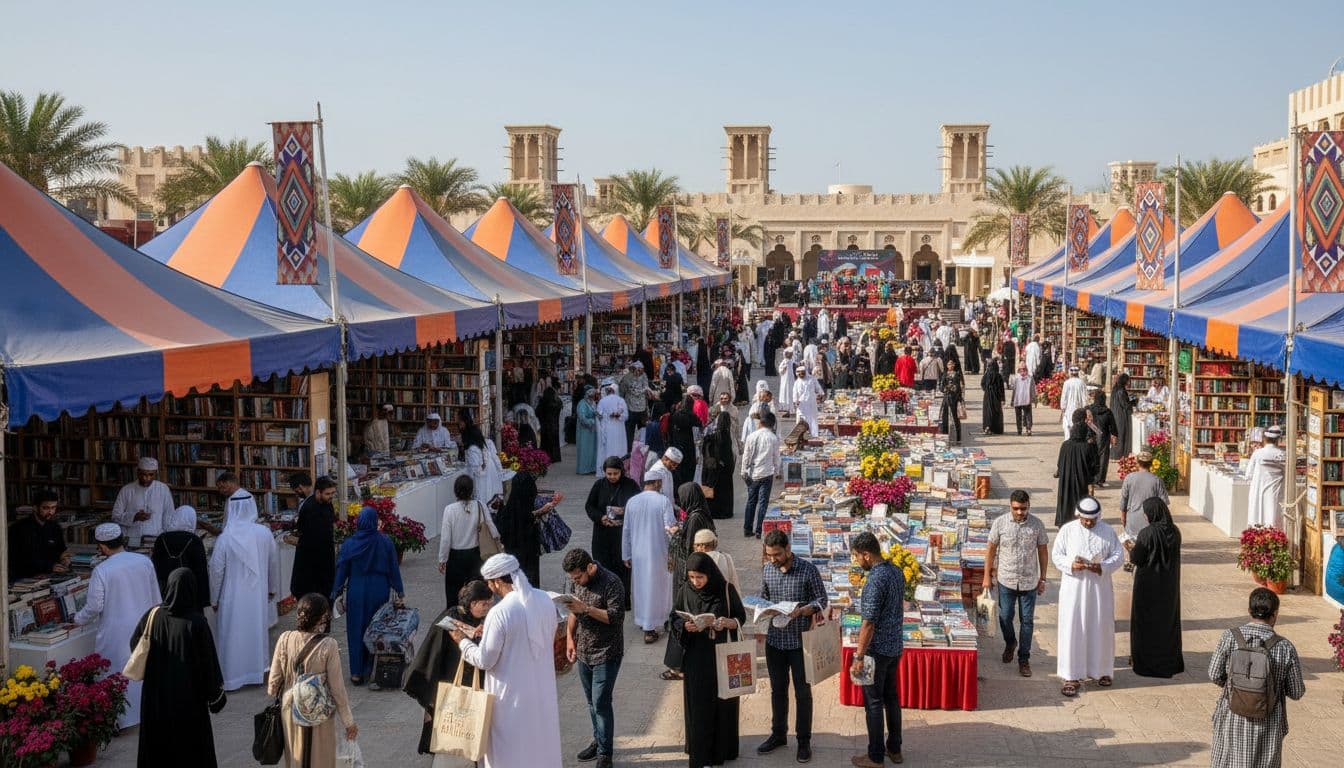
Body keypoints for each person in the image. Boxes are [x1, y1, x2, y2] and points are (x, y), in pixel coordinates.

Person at [448, 554, 563, 768]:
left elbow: (484, 660)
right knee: (540, 748)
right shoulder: (544, 600)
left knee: (509, 754)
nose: (490, 589)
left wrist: (462, 641)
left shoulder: (500, 613)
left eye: (490, 584)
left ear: (498, 581)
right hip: (541, 693)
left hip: (509, 700)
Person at [131, 568, 227, 768]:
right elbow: (207, 664)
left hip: (155, 695)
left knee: (157, 746)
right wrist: (215, 696)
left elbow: (135, 643)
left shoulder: (153, 614)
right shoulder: (197, 622)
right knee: (189, 748)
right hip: (187, 698)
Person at [73, 523, 162, 729]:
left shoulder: (102, 570)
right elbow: (156, 598)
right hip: (143, 626)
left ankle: (121, 720)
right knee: (141, 670)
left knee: (117, 673)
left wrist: (77, 620)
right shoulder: (144, 561)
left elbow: (95, 606)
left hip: (115, 631)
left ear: (102, 547)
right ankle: (144, 713)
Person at [1208, 588, 1305, 768]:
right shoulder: (1285, 647)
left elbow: (1214, 674)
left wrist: (1236, 687)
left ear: (1249, 611)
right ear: (1275, 615)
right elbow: (1297, 691)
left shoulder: (1230, 637)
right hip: (1268, 722)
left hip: (1232, 716)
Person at [757, 529, 829, 763]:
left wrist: (804, 610)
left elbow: (822, 600)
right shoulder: (768, 569)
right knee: (777, 690)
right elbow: (764, 596)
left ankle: (804, 741)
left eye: (777, 555)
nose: (773, 559)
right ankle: (778, 734)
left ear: (788, 549)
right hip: (775, 641)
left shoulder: (808, 570)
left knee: (802, 693)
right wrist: (762, 607)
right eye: (769, 555)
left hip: (800, 642)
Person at [670, 553, 745, 768]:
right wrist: (685, 626)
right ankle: (700, 753)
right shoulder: (685, 590)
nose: (696, 582)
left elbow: (740, 617)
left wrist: (726, 622)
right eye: (692, 577)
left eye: (700, 577)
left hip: (721, 655)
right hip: (696, 658)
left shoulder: (725, 589)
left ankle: (721, 749)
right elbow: (674, 617)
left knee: (723, 703)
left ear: (709, 574)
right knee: (699, 705)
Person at [267, 594, 358, 767]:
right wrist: (349, 722)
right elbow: (337, 689)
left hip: (290, 708)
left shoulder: (285, 639)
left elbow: (273, 685)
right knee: (320, 759)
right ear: (322, 618)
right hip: (319, 711)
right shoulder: (328, 645)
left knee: (295, 758)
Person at [404, 580, 489, 762]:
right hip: (448, 678)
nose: (488, 608)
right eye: (484, 604)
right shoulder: (451, 616)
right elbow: (442, 642)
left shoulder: (480, 620)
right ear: (473, 603)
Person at [1052, 496, 1123, 697]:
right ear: (1079, 515)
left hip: (1099, 590)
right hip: (1074, 589)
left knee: (1101, 627)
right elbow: (1057, 555)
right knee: (1073, 628)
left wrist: (1102, 567)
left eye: (1092, 520)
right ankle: (1071, 675)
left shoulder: (1107, 531)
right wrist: (1071, 565)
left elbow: (1118, 556)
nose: (1089, 523)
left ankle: (1102, 671)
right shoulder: (1068, 530)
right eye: (1085, 519)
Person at [209, 490, 279, 691]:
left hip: (232, 595)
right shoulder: (264, 533)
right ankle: (257, 672)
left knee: (232, 635)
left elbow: (216, 571)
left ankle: (232, 677)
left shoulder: (225, 537)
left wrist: (214, 598)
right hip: (257, 595)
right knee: (255, 632)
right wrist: (272, 588)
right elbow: (273, 564)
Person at [562, 549, 627, 768]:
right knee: (591, 702)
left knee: (601, 702)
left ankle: (605, 754)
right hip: (583, 651)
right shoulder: (576, 582)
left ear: (590, 567)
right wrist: (570, 638)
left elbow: (616, 617)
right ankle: (599, 740)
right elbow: (572, 611)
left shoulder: (612, 582)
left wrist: (586, 608)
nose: (576, 581)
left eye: (578, 576)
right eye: (573, 578)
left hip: (607, 652)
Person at [331, 506, 405, 686]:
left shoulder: (350, 544)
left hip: (356, 590)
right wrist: (400, 591)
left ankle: (356, 673)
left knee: (356, 629)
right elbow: (393, 568)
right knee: (376, 629)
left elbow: (342, 570)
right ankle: (371, 668)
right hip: (379, 590)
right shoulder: (385, 541)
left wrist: (335, 591)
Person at [849, 531, 904, 768]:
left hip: (875, 652)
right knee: (891, 698)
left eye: (856, 556)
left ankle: (875, 756)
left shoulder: (874, 581)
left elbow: (868, 623)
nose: (856, 561)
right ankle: (895, 748)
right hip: (894, 646)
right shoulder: (896, 571)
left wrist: (859, 656)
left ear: (867, 555)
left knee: (872, 702)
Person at [982, 490, 1049, 677]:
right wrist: (986, 576)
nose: (1020, 512)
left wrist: (1043, 578)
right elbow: (990, 550)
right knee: (1005, 617)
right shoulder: (1000, 523)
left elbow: (1043, 551)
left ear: (1029, 506)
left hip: (1029, 582)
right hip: (1006, 579)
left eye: (1023, 509)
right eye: (1016, 509)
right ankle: (1010, 642)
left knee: (1027, 621)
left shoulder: (1037, 525)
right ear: (1010, 506)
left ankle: (1024, 658)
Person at [1129, 498, 1184, 678]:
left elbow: (1137, 558)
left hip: (1147, 586)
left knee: (1145, 623)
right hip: (1169, 586)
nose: (1145, 515)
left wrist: (1130, 547)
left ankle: (1144, 661)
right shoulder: (1175, 532)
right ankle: (1168, 662)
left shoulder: (1147, 533)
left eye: (1146, 512)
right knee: (1166, 623)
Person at [622, 474, 678, 644]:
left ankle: (646, 621)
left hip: (639, 554)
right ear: (657, 483)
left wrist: (626, 554)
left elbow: (626, 530)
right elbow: (670, 527)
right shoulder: (663, 501)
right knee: (660, 587)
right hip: (659, 552)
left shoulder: (632, 501)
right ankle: (657, 622)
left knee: (642, 588)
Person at [438, 474, 499, 607]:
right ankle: (476, 619)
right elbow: (492, 528)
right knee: (477, 592)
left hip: (455, 557)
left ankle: (454, 620)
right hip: (476, 555)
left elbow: (446, 538)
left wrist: (443, 559)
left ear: (456, 490)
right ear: (472, 490)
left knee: (453, 594)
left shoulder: (449, 510)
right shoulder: (480, 506)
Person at [495, 471, 561, 588]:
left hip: (513, 559)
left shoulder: (506, 511)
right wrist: (539, 513)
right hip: (529, 556)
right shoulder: (527, 507)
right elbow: (526, 519)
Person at [151, 505, 209, 611]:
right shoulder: (195, 540)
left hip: (166, 591)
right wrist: (204, 600)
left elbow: (155, 568)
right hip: (190, 592)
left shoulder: (161, 539)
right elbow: (201, 572)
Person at [289, 476, 337, 601]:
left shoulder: (327, 504)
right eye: (328, 493)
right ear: (318, 492)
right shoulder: (309, 508)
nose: (331, 496)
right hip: (310, 564)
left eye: (332, 493)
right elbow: (306, 537)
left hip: (324, 559)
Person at [111, 456, 176, 546]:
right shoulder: (127, 490)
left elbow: (169, 516)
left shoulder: (163, 489)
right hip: (132, 540)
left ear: (156, 473)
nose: (147, 478)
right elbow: (115, 516)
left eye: (151, 475)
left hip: (156, 539)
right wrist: (134, 517)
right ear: (137, 472)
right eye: (143, 474)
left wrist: (166, 539)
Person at [8, 491, 70, 579]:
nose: (51, 512)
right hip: (25, 577)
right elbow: (18, 560)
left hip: (52, 575)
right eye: (46, 508)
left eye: (53, 508)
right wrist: (49, 567)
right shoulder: (18, 528)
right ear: (35, 508)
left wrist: (64, 560)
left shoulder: (55, 527)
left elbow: (61, 551)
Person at [741, 411, 782, 538]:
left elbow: (746, 456)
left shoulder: (751, 437)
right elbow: (776, 457)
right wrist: (777, 471)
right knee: (763, 502)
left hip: (752, 474)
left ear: (760, 423)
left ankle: (747, 529)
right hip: (767, 473)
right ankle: (759, 530)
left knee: (751, 501)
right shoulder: (773, 438)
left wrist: (743, 472)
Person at [1055, 411, 1098, 527]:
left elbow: (1059, 465)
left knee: (1066, 503)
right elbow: (1094, 468)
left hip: (1066, 483)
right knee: (1079, 504)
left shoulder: (1065, 445)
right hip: (1081, 483)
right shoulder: (1087, 447)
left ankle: (1063, 523)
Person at [1119, 450, 1169, 542]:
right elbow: (1163, 504)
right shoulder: (1157, 480)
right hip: (1150, 524)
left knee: (1133, 552)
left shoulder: (1129, 478)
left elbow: (1123, 501)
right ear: (1151, 464)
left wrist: (1123, 518)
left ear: (1137, 463)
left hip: (1132, 523)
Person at [703, 391, 738, 519]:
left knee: (716, 491)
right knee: (726, 492)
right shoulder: (725, 436)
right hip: (725, 470)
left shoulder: (712, 435)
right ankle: (726, 511)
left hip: (715, 469)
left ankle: (714, 511)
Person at [1247, 425, 1287, 528]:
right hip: (1276, 490)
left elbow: (1248, 474)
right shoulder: (1283, 454)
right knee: (1273, 513)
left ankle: (1255, 535)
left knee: (1257, 513)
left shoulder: (1258, 453)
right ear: (1278, 439)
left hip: (1258, 489)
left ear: (1264, 438)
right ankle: (1274, 537)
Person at [1088, 388, 1119, 487]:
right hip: (1104, 437)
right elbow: (1113, 426)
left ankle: (1091, 479)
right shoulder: (1108, 412)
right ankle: (1100, 480)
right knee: (1103, 459)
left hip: (1090, 436)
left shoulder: (1089, 409)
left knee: (1091, 458)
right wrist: (1114, 436)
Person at [595, 382, 630, 471]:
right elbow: (626, 416)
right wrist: (618, 416)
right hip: (618, 428)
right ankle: (618, 467)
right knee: (618, 445)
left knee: (607, 447)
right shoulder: (621, 400)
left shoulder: (602, 400)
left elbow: (598, 414)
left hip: (607, 427)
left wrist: (605, 417)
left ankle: (606, 467)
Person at [667, 395, 700, 487]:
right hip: (689, 447)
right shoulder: (692, 416)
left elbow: (670, 430)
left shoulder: (675, 415)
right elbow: (699, 428)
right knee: (688, 468)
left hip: (677, 445)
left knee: (678, 469)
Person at [620, 360, 654, 449]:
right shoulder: (627, 378)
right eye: (638, 370)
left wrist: (648, 392)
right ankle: (629, 450)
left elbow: (646, 386)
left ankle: (642, 448)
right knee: (629, 431)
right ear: (633, 369)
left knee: (643, 430)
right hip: (630, 408)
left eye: (641, 370)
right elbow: (629, 391)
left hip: (642, 408)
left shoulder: (644, 376)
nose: (639, 372)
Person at [793, 364, 824, 438]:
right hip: (802, 405)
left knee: (813, 419)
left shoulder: (812, 379)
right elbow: (795, 394)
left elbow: (818, 388)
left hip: (811, 403)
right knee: (801, 421)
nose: (800, 375)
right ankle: (800, 436)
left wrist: (821, 394)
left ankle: (814, 436)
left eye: (802, 373)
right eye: (799, 373)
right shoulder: (797, 382)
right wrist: (795, 401)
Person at [1110, 373, 1137, 456]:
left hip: (1116, 415)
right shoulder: (1121, 391)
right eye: (1128, 381)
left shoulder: (1116, 389)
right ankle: (1119, 454)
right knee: (1121, 434)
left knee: (1118, 434)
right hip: (1121, 416)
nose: (1129, 383)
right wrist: (1134, 401)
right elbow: (1125, 404)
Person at [940, 355, 965, 443]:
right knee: (944, 417)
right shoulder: (945, 374)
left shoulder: (957, 374)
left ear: (954, 365)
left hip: (955, 398)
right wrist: (946, 388)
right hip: (947, 398)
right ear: (947, 365)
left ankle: (958, 438)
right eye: (949, 364)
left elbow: (958, 387)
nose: (950, 365)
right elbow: (941, 387)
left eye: (951, 364)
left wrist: (953, 389)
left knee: (956, 418)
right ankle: (944, 436)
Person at [576, 385, 600, 475]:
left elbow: (595, 412)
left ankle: (592, 467)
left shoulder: (592, 402)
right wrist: (592, 421)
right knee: (585, 449)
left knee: (592, 449)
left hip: (592, 430)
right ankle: (584, 468)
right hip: (584, 431)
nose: (593, 394)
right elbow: (582, 417)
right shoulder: (582, 403)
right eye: (591, 392)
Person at [1059, 366, 1088, 437]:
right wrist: (1085, 408)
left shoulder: (1067, 383)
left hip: (1069, 409)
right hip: (1080, 408)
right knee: (1078, 425)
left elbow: (1064, 397)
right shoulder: (1082, 383)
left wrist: (1063, 408)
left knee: (1068, 427)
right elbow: (1085, 397)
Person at [980, 359, 1005, 435]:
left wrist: (987, 390)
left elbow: (982, 384)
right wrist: (1002, 399)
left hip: (988, 396)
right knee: (995, 412)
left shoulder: (986, 375)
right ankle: (995, 428)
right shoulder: (998, 376)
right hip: (996, 397)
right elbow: (1001, 389)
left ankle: (987, 427)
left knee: (988, 412)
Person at [1009, 362, 1034, 436]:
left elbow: (1032, 389)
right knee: (1020, 415)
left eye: (1024, 369)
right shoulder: (1016, 378)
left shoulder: (1029, 378)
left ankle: (1027, 429)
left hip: (1025, 399)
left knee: (1027, 415)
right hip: (1019, 399)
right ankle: (1021, 429)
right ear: (1019, 370)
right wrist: (1012, 400)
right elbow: (1014, 390)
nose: (1022, 371)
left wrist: (1034, 399)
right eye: (1021, 369)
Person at [777, 348, 798, 417]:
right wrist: (783, 369)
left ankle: (791, 408)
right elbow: (780, 370)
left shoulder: (792, 362)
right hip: (785, 381)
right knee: (785, 393)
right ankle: (785, 408)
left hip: (791, 381)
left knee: (791, 393)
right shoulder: (784, 362)